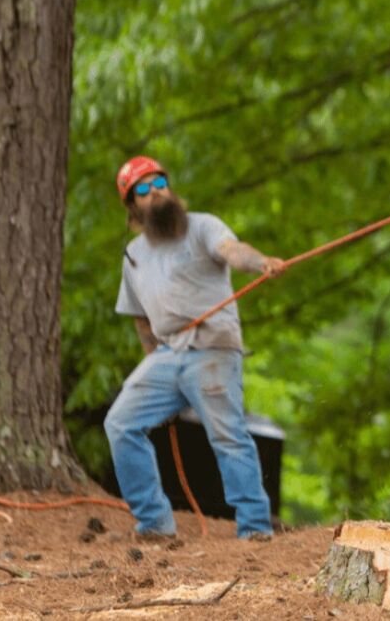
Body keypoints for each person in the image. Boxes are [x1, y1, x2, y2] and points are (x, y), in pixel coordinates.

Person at [104, 156, 283, 541]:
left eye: (159, 184)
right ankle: (154, 524)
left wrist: (261, 262)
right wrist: (155, 367)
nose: (156, 193)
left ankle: (254, 529)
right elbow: (139, 318)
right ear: (132, 205)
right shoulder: (133, 255)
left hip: (213, 347)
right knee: (120, 423)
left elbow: (233, 250)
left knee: (228, 435)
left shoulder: (202, 226)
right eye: (143, 189)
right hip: (168, 356)